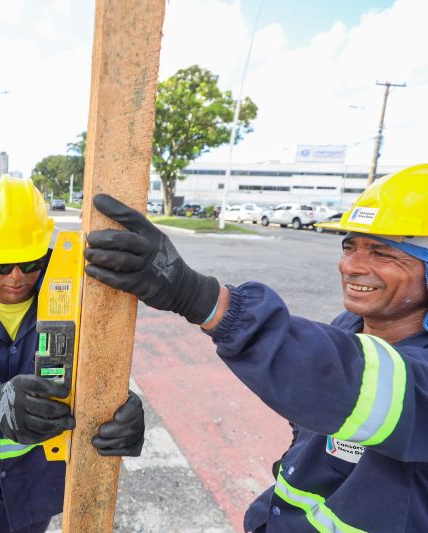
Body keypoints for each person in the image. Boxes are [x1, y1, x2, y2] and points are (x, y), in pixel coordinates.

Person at [82, 163, 428, 532]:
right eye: (350, 246)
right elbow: (315, 407)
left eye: (382, 253)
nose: (352, 265)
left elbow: (347, 381)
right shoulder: (352, 326)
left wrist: (201, 298)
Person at [0, 175, 145, 533]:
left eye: (30, 263)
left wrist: (121, 412)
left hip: (31, 491)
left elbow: (98, 371)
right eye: (1, 266)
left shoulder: (75, 308)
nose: (16, 277)